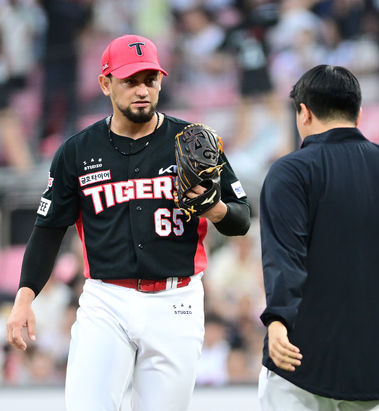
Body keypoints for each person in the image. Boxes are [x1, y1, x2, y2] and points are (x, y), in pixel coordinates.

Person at [4, 34, 250, 411]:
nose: (142, 90)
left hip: (176, 300)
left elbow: (241, 219)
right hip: (107, 299)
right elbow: (49, 228)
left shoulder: (193, 142)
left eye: (149, 80)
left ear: (161, 82)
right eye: (130, 80)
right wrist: (25, 295)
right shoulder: (78, 151)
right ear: (105, 83)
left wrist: (213, 207)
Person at [258, 64, 379, 410]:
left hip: (301, 360)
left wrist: (278, 319)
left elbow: (285, 257)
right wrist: (373, 281)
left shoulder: (290, 171)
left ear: (303, 113)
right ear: (358, 112)